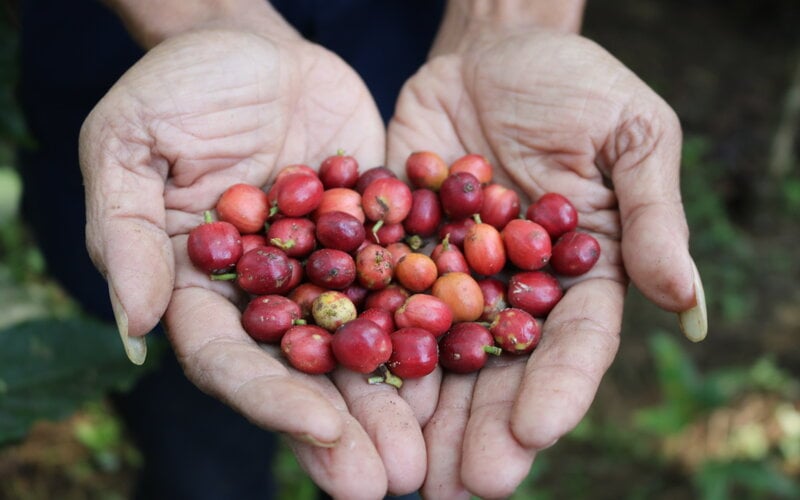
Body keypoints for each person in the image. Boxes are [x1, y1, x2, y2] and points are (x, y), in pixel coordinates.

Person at [19, 0, 707, 498]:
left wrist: (512, 19)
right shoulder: (333, 254)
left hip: (426, 60)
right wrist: (205, 15)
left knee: (401, 459)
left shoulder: (414, 255)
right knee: (198, 454)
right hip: (188, 122)